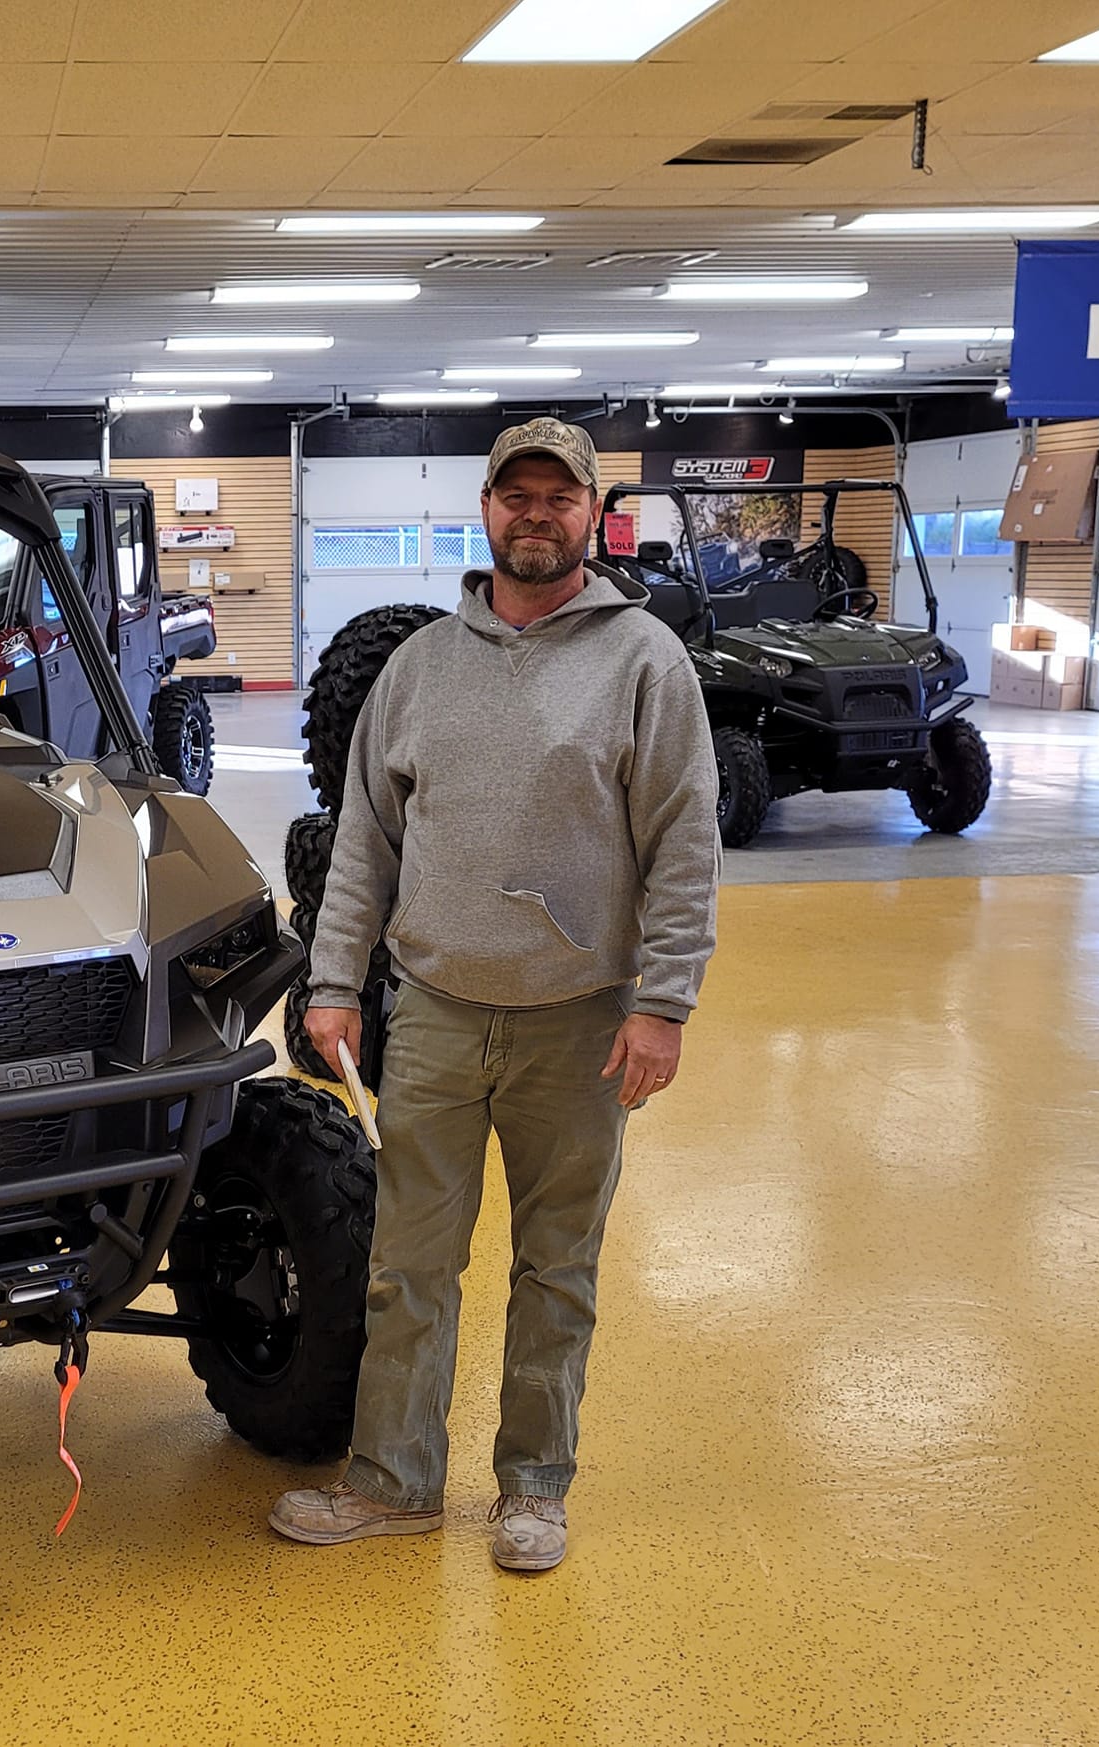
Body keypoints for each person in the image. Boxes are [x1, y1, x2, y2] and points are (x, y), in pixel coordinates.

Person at [270, 418, 720, 1573]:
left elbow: (683, 842)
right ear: (483, 510)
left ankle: (532, 1486)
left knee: (554, 1268)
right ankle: (393, 1482)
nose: (535, 514)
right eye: (514, 495)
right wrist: (333, 981)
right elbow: (363, 839)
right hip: (432, 1012)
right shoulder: (421, 665)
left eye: (557, 497)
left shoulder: (642, 662)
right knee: (405, 1265)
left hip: (580, 1022)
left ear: (590, 513)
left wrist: (662, 1003)